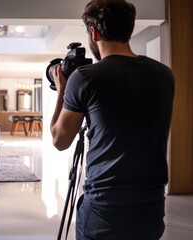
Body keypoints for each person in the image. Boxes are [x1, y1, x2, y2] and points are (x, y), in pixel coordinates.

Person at [50, 0, 175, 239]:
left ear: (93, 32)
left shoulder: (85, 78)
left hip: (105, 207)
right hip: (152, 205)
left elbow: (59, 139)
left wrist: (62, 94)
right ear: (129, 29)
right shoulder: (164, 75)